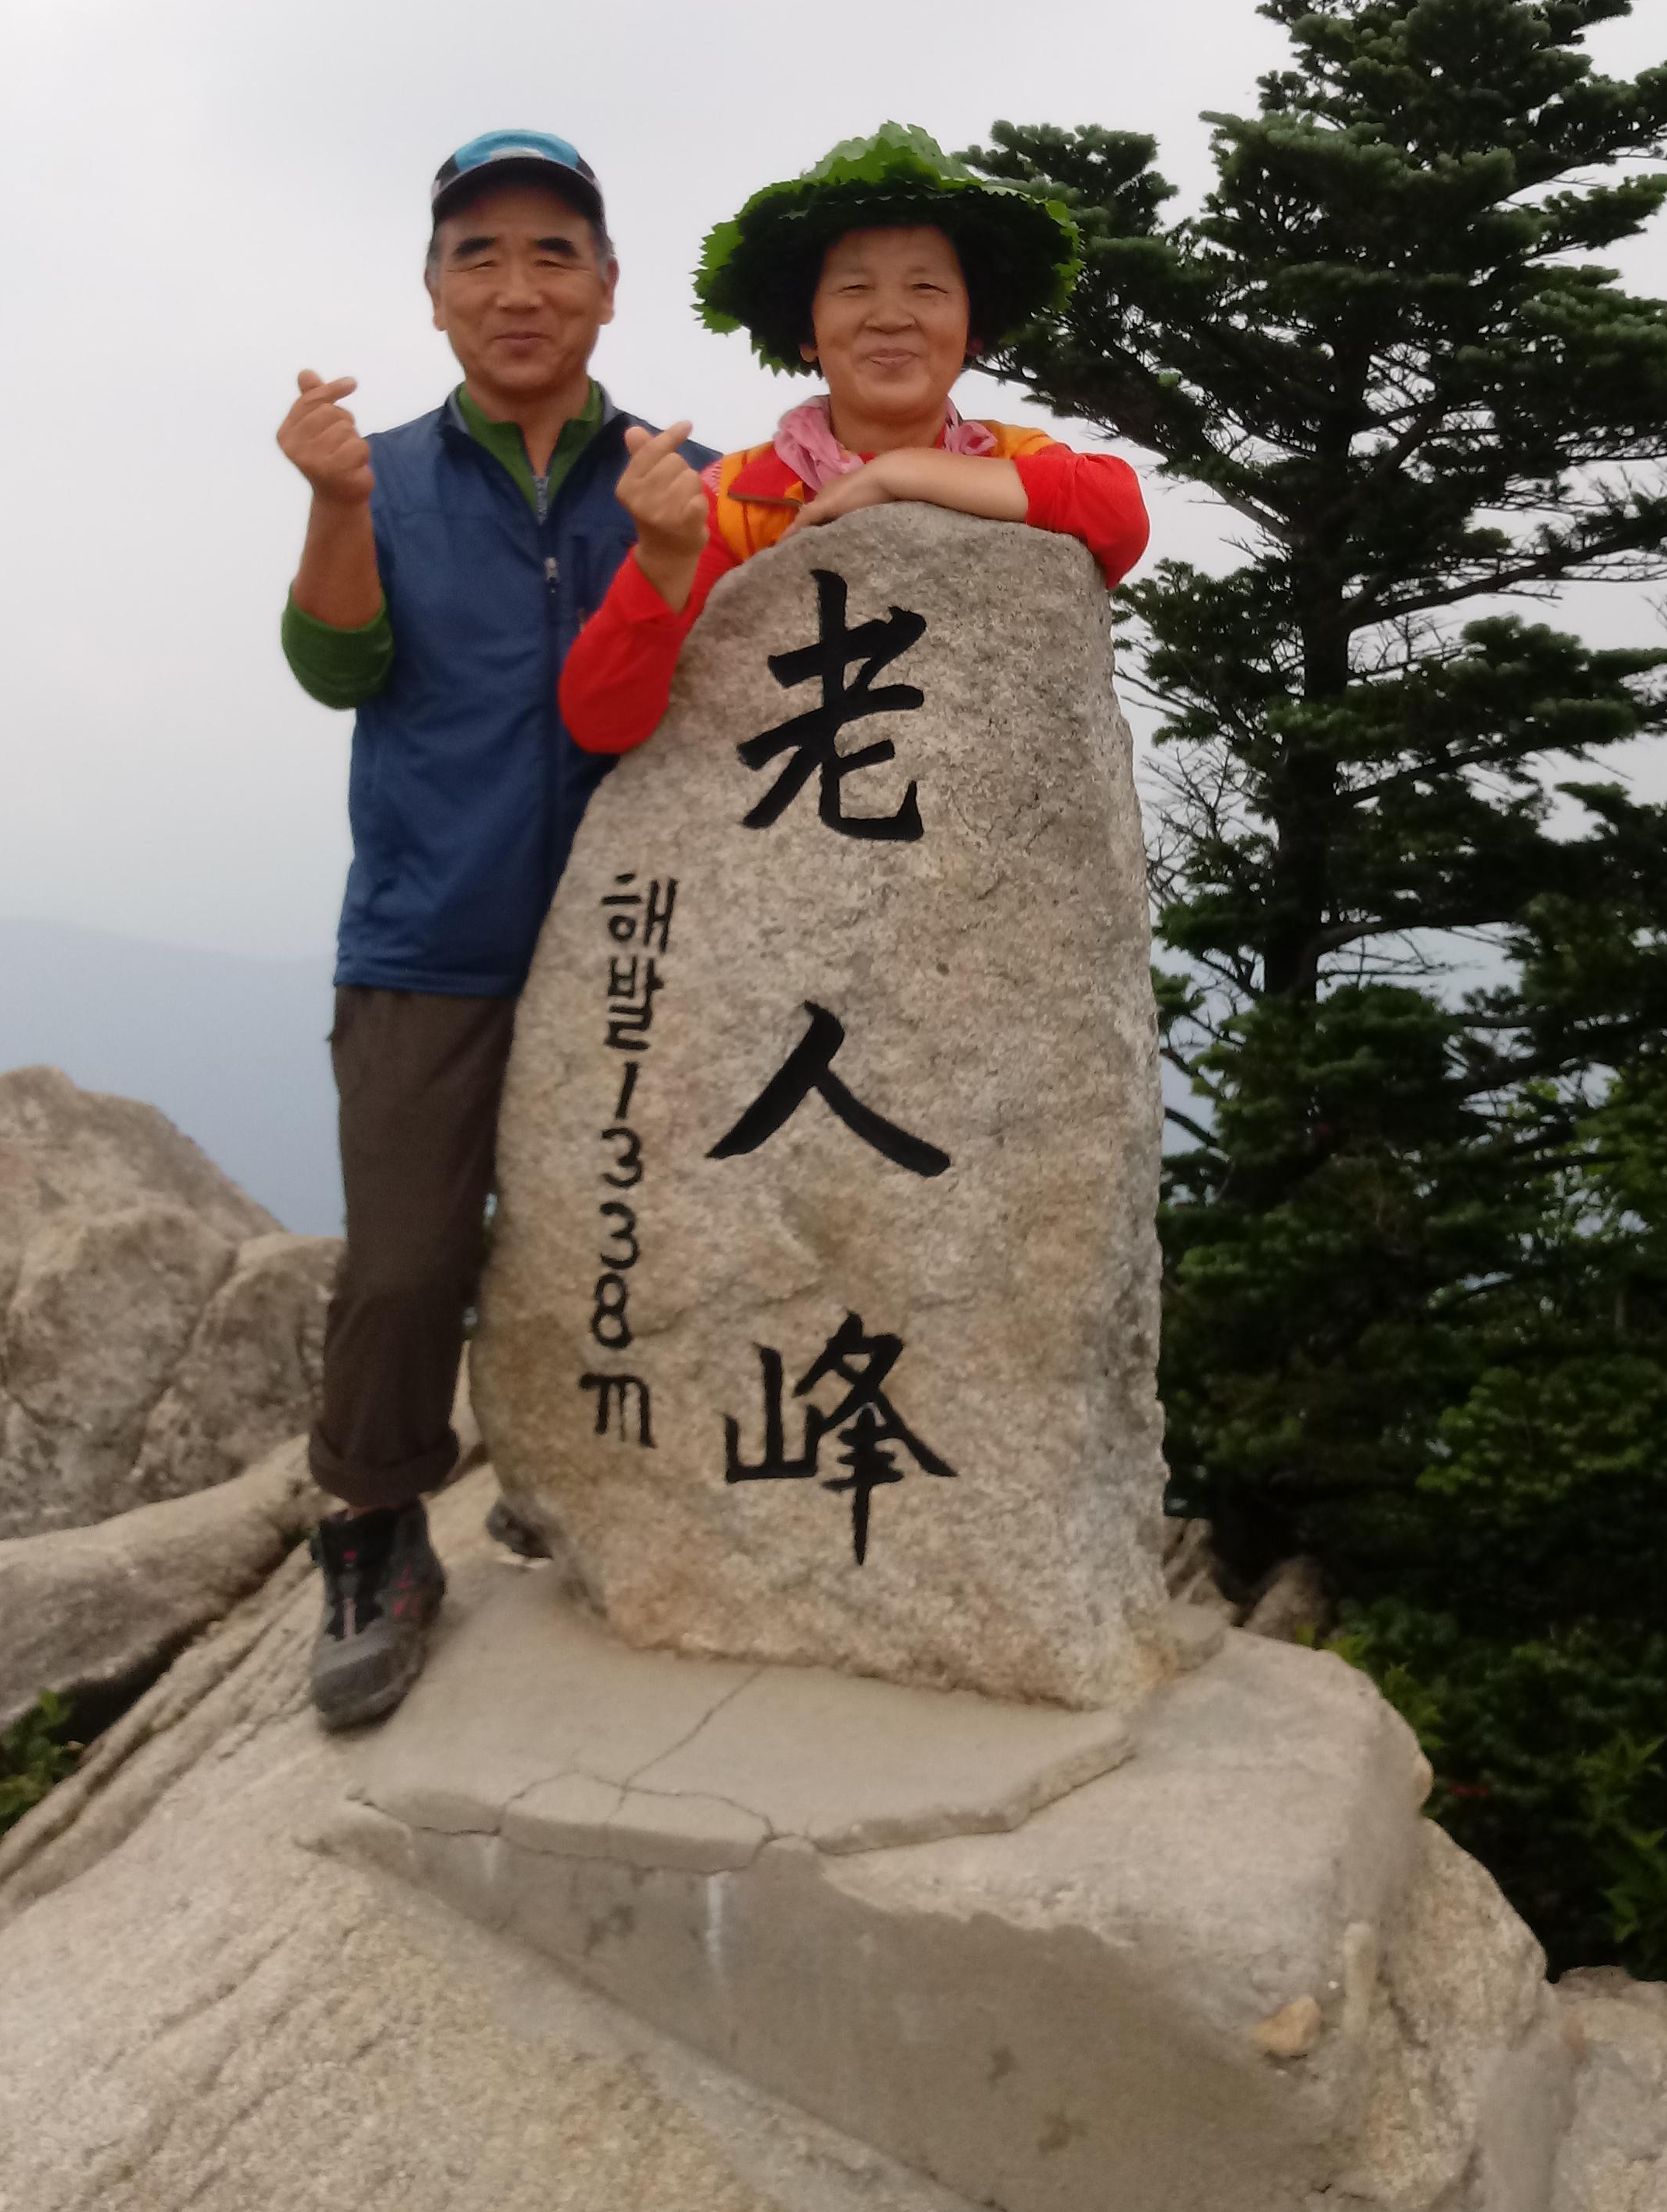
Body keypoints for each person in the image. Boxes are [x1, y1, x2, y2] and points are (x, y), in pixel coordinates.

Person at [277, 129, 714, 1727]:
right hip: (429, 934)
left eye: (552, 254)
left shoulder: (675, 478)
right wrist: (335, 504)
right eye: (480, 255)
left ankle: (587, 1485)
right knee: (405, 1265)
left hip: (646, 940)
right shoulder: (381, 474)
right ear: (435, 293)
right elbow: (334, 669)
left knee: (643, 1237)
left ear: (608, 286)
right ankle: (375, 1529)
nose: (517, 287)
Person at [559, 123, 1147, 751]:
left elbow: (1119, 513)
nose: (890, 317)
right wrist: (662, 561)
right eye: (854, 288)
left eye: (927, 287)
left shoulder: (1006, 459)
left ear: (973, 328)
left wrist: (899, 474)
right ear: (806, 329)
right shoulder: (734, 500)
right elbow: (602, 719)